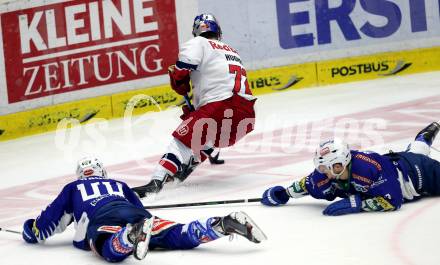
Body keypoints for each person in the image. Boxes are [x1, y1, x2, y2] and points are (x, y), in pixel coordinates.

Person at [22, 157, 267, 263]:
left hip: (103, 219)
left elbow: (48, 223)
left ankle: (128, 237)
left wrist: (30, 230)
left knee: (108, 249)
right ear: (102, 173)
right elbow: (143, 214)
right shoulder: (119, 184)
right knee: (174, 235)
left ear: (80, 175)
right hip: (135, 214)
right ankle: (221, 224)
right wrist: (141, 223)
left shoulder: (72, 188)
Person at [132, 13, 256, 197]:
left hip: (220, 106)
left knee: (180, 141)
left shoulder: (198, 43)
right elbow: (218, 80)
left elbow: (182, 72)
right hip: (246, 116)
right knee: (206, 135)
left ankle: (155, 182)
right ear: (217, 30)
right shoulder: (231, 50)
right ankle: (188, 166)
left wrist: (177, 80)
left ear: (197, 31)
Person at [260, 122, 440, 216]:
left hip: (420, 173)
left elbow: (393, 199)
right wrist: (284, 194)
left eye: (328, 167)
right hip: (399, 159)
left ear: (341, 163)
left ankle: (423, 140)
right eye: (321, 167)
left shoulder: (367, 168)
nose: (324, 172)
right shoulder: (328, 174)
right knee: (416, 150)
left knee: (418, 156)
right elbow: (308, 185)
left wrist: (358, 204)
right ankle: (425, 137)